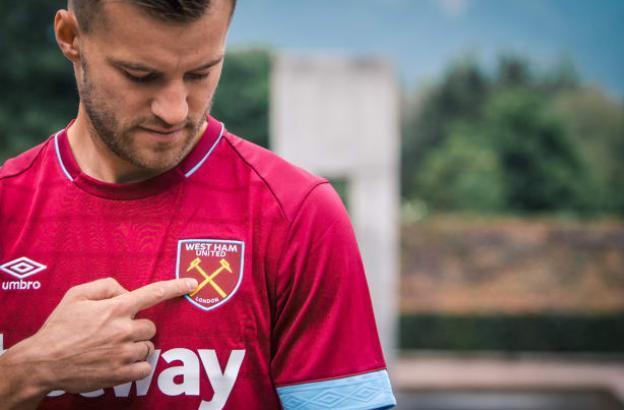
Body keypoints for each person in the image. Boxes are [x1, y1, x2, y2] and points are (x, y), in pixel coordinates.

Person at [0, 1, 396, 409]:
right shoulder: (7, 208)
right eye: (140, 75)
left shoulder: (296, 213)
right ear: (70, 38)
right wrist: (28, 370)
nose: (174, 111)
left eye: (200, 73)